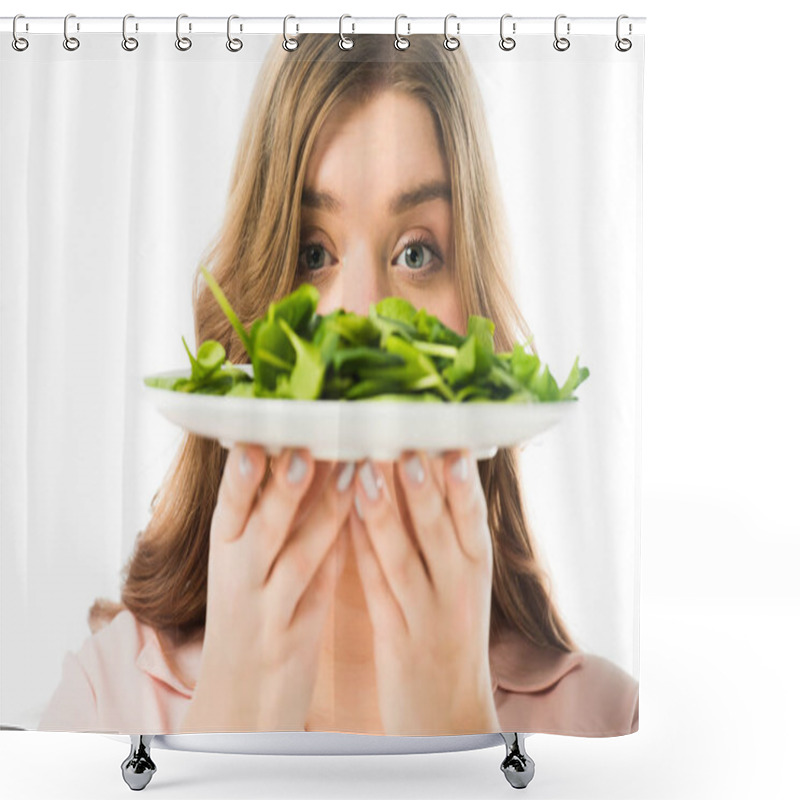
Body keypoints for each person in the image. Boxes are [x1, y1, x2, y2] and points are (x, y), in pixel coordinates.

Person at [38, 33, 638, 737]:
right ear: (253, 307)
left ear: (475, 313)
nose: (357, 310)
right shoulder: (105, 704)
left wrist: (460, 746)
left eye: (417, 253)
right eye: (310, 252)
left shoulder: (607, 721)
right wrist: (225, 740)